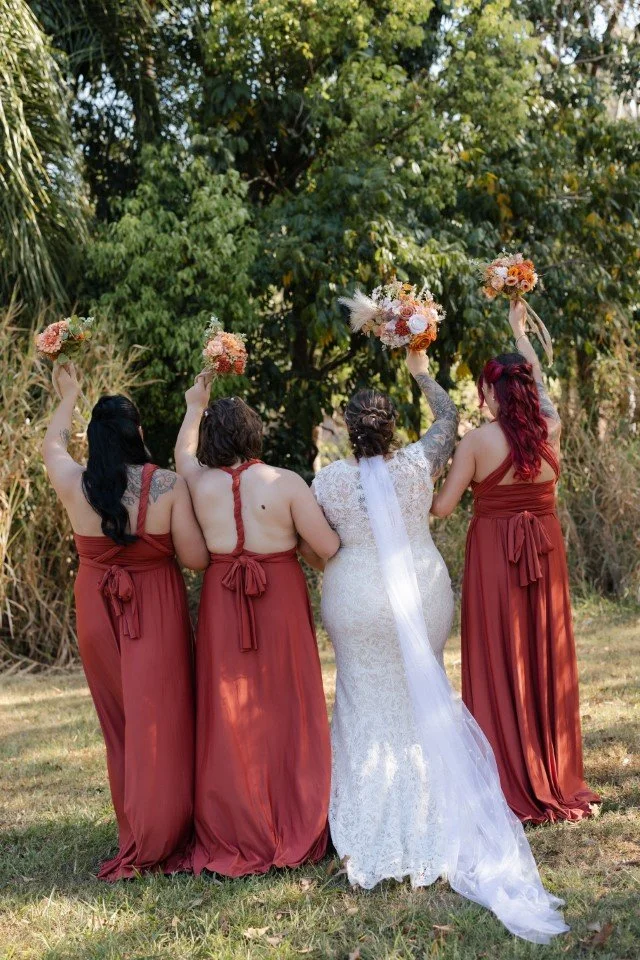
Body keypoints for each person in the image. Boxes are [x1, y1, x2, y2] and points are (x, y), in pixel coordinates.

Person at [310, 348, 568, 943]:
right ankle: (430, 814)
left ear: (350, 430)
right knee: (420, 697)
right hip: (420, 592)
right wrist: (420, 365)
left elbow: (321, 542)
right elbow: (448, 417)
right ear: (394, 427)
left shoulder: (328, 481)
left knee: (363, 700)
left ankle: (361, 824)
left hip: (355, 601)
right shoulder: (416, 466)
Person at [431, 300, 599, 824]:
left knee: (503, 653)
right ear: (529, 391)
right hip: (545, 554)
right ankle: (554, 767)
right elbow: (543, 389)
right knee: (545, 650)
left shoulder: (477, 443)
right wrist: (520, 334)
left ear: (488, 394)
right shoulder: (552, 430)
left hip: (495, 558)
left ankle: (507, 772)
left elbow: (441, 508)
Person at [42, 363, 209, 880]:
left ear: (94, 439)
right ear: (138, 433)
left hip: (96, 611)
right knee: (162, 721)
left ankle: (133, 831)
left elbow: (51, 447)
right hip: (153, 609)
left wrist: (67, 395)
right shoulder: (166, 486)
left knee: (120, 727)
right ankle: (162, 835)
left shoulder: (74, 485)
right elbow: (195, 559)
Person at [175, 373, 339, 877]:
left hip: (224, 603)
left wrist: (193, 406)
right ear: (254, 435)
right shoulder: (286, 483)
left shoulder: (196, 484)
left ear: (211, 442)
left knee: (230, 712)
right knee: (290, 702)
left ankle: (239, 824)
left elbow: (182, 456)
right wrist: (292, 548)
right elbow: (329, 549)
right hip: (280, 600)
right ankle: (297, 819)